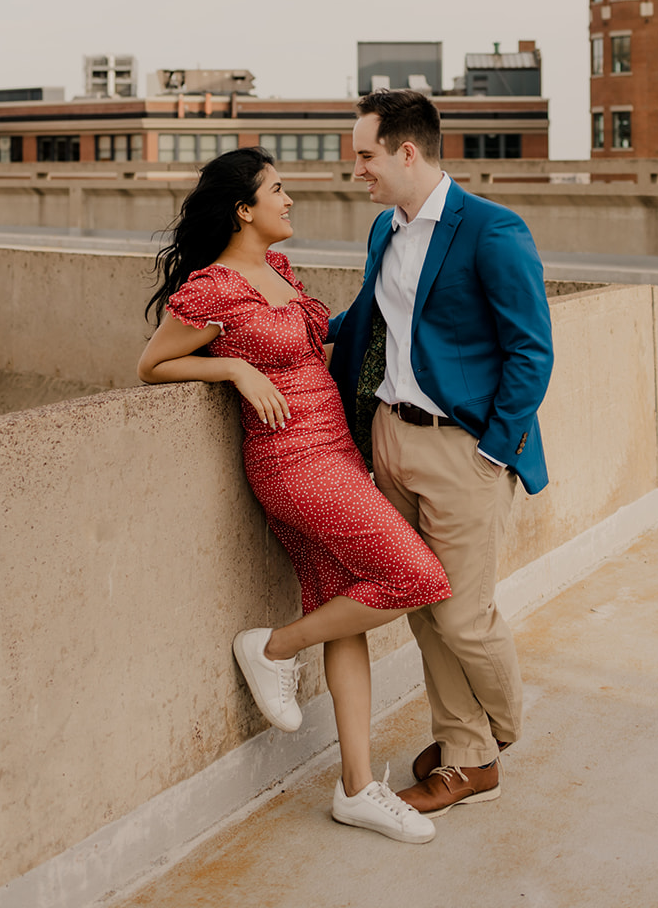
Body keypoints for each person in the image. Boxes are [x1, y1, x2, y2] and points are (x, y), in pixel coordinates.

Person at [137, 146, 452, 845]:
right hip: (291, 462)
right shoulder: (214, 288)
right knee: (416, 576)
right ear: (243, 208)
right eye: (278, 191)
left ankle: (357, 788)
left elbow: (326, 345)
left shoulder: (277, 270)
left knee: (342, 611)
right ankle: (272, 648)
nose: (290, 201)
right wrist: (233, 372)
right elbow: (152, 364)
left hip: (335, 448)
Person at [328, 90, 554, 816]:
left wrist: (495, 449)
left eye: (364, 155)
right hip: (390, 438)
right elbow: (372, 313)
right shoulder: (383, 231)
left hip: (462, 451)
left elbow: (530, 349)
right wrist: (289, 326)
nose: (355, 169)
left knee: (462, 617)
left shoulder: (491, 230)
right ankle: (464, 752)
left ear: (406, 151)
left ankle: (498, 732)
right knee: (422, 611)